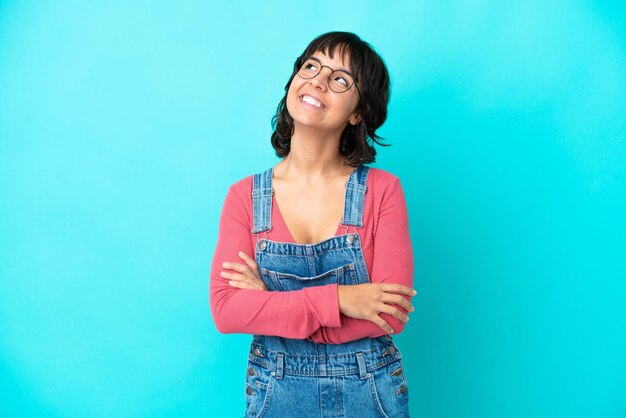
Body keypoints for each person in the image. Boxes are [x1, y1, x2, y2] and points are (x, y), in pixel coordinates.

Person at [209, 31, 416, 418]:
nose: (317, 81)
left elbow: (390, 314)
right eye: (311, 66)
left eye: (340, 79)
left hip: (369, 389)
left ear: (358, 112)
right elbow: (227, 311)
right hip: (276, 389)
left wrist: (271, 307)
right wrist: (341, 300)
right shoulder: (244, 197)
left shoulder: (383, 191)